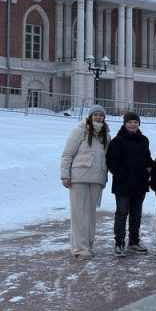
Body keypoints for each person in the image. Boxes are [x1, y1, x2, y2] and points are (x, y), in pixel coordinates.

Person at [60, 105, 110, 259]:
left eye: (100, 115)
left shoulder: (106, 135)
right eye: (95, 115)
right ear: (90, 116)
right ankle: (80, 249)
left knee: (90, 213)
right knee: (79, 213)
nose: (98, 117)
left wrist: (105, 176)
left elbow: (107, 158)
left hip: (97, 178)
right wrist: (65, 175)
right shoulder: (80, 131)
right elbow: (67, 154)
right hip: (79, 177)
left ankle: (88, 245)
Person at [105, 111, 153, 256]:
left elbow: (147, 158)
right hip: (123, 184)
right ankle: (119, 243)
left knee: (136, 214)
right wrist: (123, 175)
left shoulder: (144, 140)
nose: (133, 124)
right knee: (122, 213)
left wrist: (151, 168)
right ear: (125, 124)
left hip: (140, 183)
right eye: (130, 122)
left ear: (139, 124)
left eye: (136, 122)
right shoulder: (117, 141)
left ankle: (134, 242)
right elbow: (112, 162)